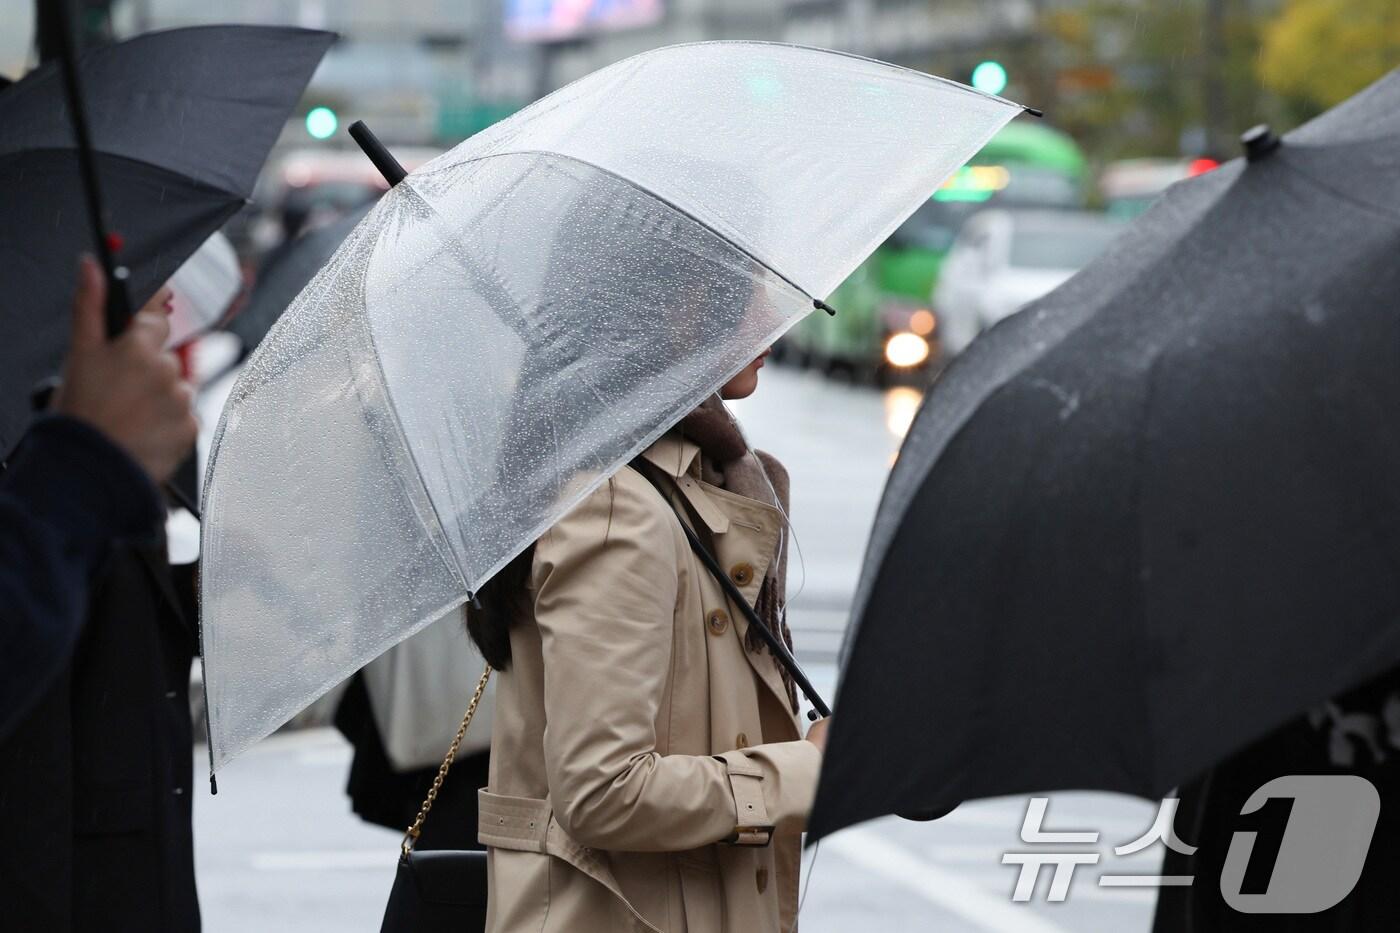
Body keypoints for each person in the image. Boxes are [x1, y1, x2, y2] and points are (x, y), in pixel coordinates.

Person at [470, 349, 828, 933]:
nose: (773, 319)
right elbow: (603, 791)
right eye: (747, 296)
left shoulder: (699, 480)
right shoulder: (616, 506)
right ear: (682, 314)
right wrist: (809, 770)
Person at [0, 256, 202, 932]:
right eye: (147, 263)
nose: (171, 290)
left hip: (143, 852)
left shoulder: (124, 417)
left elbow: (129, 621)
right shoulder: (41, 439)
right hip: (73, 883)